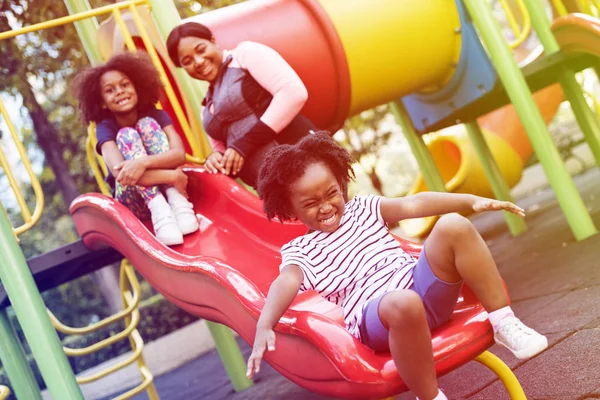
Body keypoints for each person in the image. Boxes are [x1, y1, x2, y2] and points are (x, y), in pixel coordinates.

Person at [246, 132, 548, 400]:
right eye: (310, 203)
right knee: (403, 302)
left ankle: (504, 322)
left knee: (454, 226)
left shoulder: (363, 208)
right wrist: (264, 324)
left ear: (340, 184)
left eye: (331, 193)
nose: (325, 206)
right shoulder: (300, 250)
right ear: (290, 208)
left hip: (423, 291)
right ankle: (429, 397)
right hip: (380, 319)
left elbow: (413, 204)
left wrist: (469, 201)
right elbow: (285, 282)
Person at [166, 22, 315, 188]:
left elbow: (293, 92)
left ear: (213, 41)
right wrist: (215, 159)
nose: (199, 61)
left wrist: (244, 144)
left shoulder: (244, 54)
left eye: (201, 50)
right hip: (272, 189)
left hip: (306, 164)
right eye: (187, 61)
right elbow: (223, 150)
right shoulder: (206, 107)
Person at [72, 52, 199, 246]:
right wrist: (172, 176)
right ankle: (160, 211)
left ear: (137, 87)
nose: (120, 92)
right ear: (101, 102)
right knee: (127, 135)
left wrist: (142, 162)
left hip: (171, 189)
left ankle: (177, 202)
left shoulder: (156, 115)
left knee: (147, 124)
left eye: (125, 85)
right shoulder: (105, 128)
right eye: (110, 90)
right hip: (135, 200)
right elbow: (123, 174)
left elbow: (178, 154)